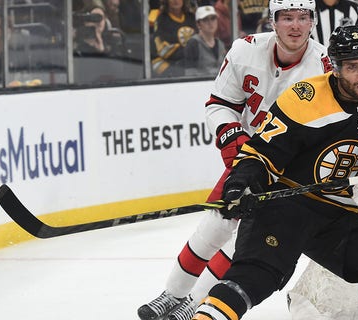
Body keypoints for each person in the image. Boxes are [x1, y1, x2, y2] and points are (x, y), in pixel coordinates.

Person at [190, 23, 358, 320]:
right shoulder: (305, 98)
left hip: (336, 212)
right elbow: (261, 152)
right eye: (352, 67)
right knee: (255, 278)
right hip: (282, 206)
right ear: (334, 68)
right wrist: (243, 182)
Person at [136, 0, 333, 319]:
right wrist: (238, 149)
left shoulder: (323, 66)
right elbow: (219, 104)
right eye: (286, 18)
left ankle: (196, 305)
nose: (295, 26)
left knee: (245, 239)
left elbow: (331, 126)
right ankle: (171, 295)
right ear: (272, 22)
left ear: (312, 22)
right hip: (249, 158)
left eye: (302, 18)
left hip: (292, 169)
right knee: (214, 225)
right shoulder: (244, 51)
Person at [150, 0, 197, 77]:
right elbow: (163, 49)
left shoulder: (191, 18)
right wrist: (189, 51)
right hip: (169, 64)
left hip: (190, 62)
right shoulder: (161, 20)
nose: (176, 1)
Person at [183, 5, 227, 77]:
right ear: (198, 24)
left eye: (213, 18)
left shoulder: (220, 44)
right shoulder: (193, 44)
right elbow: (189, 74)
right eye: (205, 19)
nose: (210, 23)